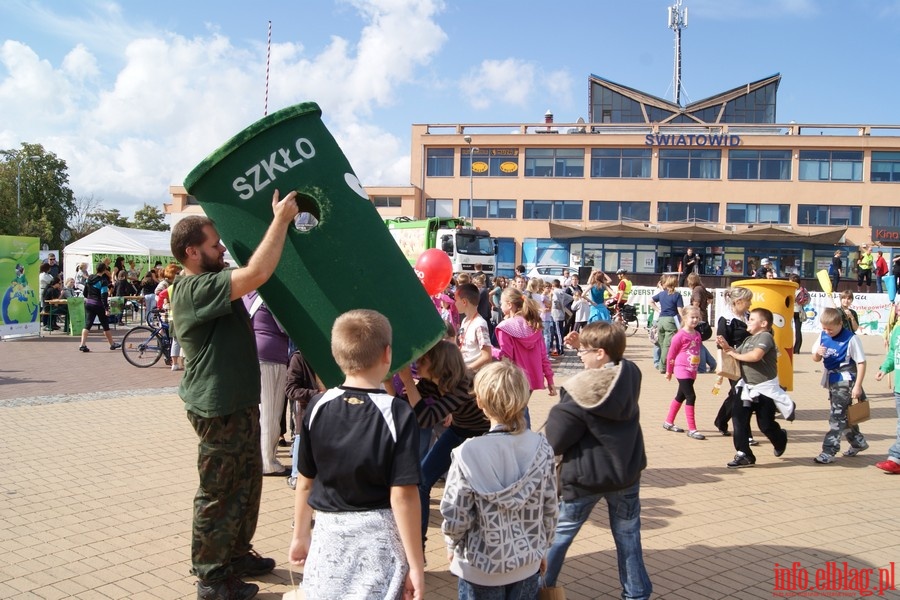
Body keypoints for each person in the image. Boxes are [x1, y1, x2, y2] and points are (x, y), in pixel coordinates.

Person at [170, 190, 299, 599]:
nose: (221, 246)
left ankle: (236, 555)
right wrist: (280, 221)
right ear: (192, 252)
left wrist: (265, 223)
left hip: (238, 403)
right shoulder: (194, 288)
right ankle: (211, 577)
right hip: (218, 407)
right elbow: (257, 274)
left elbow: (256, 265)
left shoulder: (209, 280)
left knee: (246, 483)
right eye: (214, 244)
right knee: (217, 494)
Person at [289, 309, 424, 600]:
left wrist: (300, 534)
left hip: (328, 537)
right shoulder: (397, 412)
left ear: (337, 355)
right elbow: (403, 495)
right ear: (387, 354)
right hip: (378, 543)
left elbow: (305, 480)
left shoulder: (317, 405)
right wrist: (416, 564)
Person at [543, 321, 652, 600]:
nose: (580, 355)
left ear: (601, 353)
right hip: (626, 472)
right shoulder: (630, 373)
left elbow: (555, 440)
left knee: (558, 538)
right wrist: (585, 343)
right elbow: (615, 361)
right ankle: (636, 593)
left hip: (585, 477)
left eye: (584, 351)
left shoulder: (580, 390)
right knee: (628, 537)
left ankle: (539, 589)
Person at [440, 360, 557, 598]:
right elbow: (550, 507)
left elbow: (456, 511)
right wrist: (543, 547)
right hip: (526, 563)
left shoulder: (467, 453)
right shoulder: (541, 448)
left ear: (480, 402)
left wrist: (452, 544)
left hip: (479, 566)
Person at [395, 340, 490, 551]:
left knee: (478, 491)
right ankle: (417, 548)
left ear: (437, 363)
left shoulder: (463, 384)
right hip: (459, 431)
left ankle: (478, 546)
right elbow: (403, 407)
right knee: (422, 480)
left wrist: (408, 382)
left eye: (423, 359)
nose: (417, 363)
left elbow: (427, 419)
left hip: (483, 436)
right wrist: (388, 383)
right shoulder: (431, 383)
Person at [717, 307, 791, 468]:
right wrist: (727, 348)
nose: (748, 322)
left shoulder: (766, 336)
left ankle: (780, 438)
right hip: (746, 388)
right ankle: (744, 454)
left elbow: (755, 356)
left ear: (763, 323)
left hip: (765, 389)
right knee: (738, 419)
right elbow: (737, 355)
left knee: (765, 424)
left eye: (752, 319)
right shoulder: (748, 339)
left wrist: (734, 354)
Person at [810, 307, 869, 464]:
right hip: (832, 380)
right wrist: (817, 354)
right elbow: (815, 358)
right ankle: (858, 442)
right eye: (824, 328)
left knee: (836, 416)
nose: (827, 332)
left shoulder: (851, 339)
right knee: (844, 415)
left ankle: (829, 451)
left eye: (830, 329)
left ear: (840, 324)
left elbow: (861, 363)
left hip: (846, 380)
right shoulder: (823, 335)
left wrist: (857, 386)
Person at [243, 291, 291, 477]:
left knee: (258, 409)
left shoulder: (248, 295)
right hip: (271, 355)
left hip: (251, 352)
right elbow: (285, 326)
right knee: (271, 410)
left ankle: (257, 457)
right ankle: (267, 462)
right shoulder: (271, 296)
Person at [495, 287, 556, 427]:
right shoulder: (533, 325)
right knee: (522, 409)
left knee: (516, 413)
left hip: (515, 378)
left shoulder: (504, 327)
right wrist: (550, 379)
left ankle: (524, 442)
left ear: (509, 305)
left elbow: (506, 357)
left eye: (502, 302)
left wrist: (490, 351)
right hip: (532, 378)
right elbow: (543, 356)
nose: (499, 305)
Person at [713, 287, 753, 440]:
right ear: (738, 301)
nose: (750, 303)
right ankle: (745, 433)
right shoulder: (726, 319)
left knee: (736, 394)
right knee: (743, 395)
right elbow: (721, 343)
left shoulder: (749, 316)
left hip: (750, 361)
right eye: (748, 300)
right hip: (734, 361)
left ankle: (721, 420)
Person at [663, 306, 706, 439]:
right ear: (685, 318)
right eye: (692, 317)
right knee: (691, 396)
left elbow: (697, 351)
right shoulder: (679, 336)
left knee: (680, 396)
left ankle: (668, 422)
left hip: (692, 370)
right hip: (681, 369)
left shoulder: (697, 334)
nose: (695, 320)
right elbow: (671, 355)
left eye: (697, 318)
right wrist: (669, 371)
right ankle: (692, 429)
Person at [874, 299, 900, 474]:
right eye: (898, 306)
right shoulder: (897, 330)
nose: (897, 309)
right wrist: (884, 368)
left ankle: (895, 457)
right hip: (898, 386)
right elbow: (892, 354)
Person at [78, 262, 121, 353]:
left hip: (89, 303)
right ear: (105, 270)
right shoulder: (103, 281)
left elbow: (85, 292)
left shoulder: (89, 278)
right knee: (105, 325)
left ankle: (82, 344)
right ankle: (112, 344)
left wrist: (89, 297)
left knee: (88, 324)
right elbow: (103, 296)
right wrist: (106, 308)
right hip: (99, 305)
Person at [455, 283, 493, 373]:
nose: (454, 303)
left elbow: (487, 356)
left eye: (456, 300)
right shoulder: (465, 320)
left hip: (473, 375)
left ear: (464, 302)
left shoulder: (480, 324)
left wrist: (467, 370)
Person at [651, 274, 683, 375]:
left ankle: (662, 364)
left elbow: (651, 301)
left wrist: (658, 310)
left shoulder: (661, 294)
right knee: (667, 346)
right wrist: (684, 320)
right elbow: (680, 310)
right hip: (671, 321)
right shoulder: (677, 295)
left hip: (661, 320)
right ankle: (663, 367)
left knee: (661, 344)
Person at [687, 272, 716, 374]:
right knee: (699, 343)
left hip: (698, 319)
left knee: (697, 344)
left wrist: (693, 314)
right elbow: (711, 296)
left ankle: (702, 367)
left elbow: (696, 303)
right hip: (703, 318)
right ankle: (712, 363)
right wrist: (707, 304)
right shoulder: (702, 288)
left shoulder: (696, 290)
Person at [789, 273, 810, 355]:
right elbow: (808, 301)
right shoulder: (803, 290)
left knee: (787, 329)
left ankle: (787, 347)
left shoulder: (790, 289)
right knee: (798, 330)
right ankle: (796, 349)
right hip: (800, 310)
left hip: (790, 311)